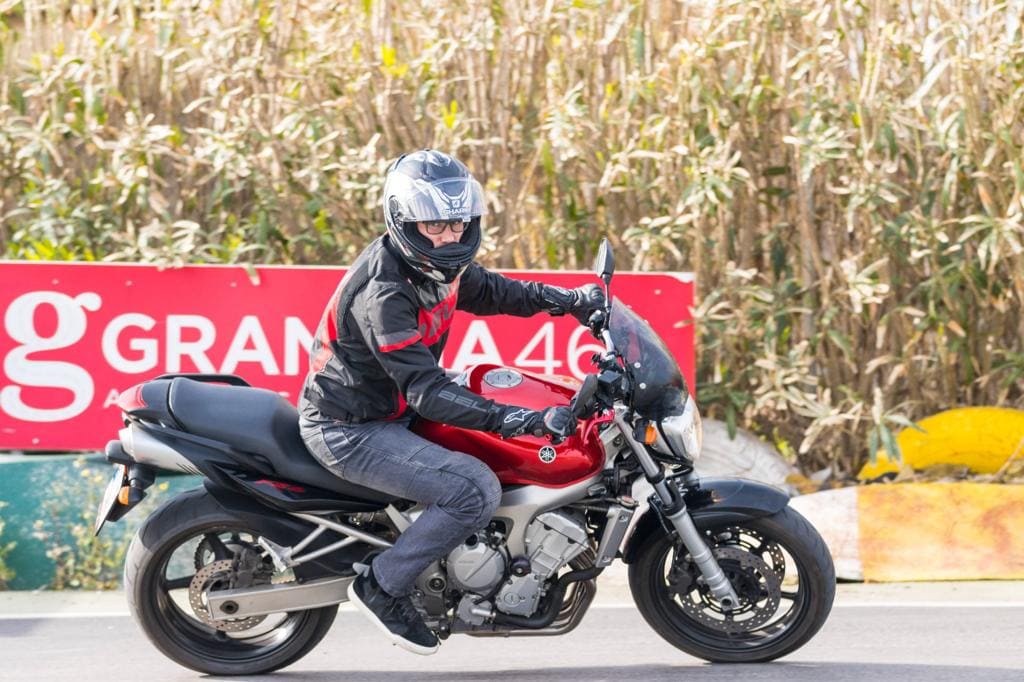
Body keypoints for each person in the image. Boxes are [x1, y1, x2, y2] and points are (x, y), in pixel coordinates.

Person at [297, 149, 604, 655]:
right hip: (351, 428)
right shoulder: (385, 293)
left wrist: (569, 300)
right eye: (435, 224)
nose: (450, 236)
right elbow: (429, 392)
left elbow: (494, 291)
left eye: (459, 223)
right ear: (403, 222)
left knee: (497, 389)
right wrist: (520, 421)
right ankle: (383, 584)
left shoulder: (437, 267)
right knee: (472, 490)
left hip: (395, 409)